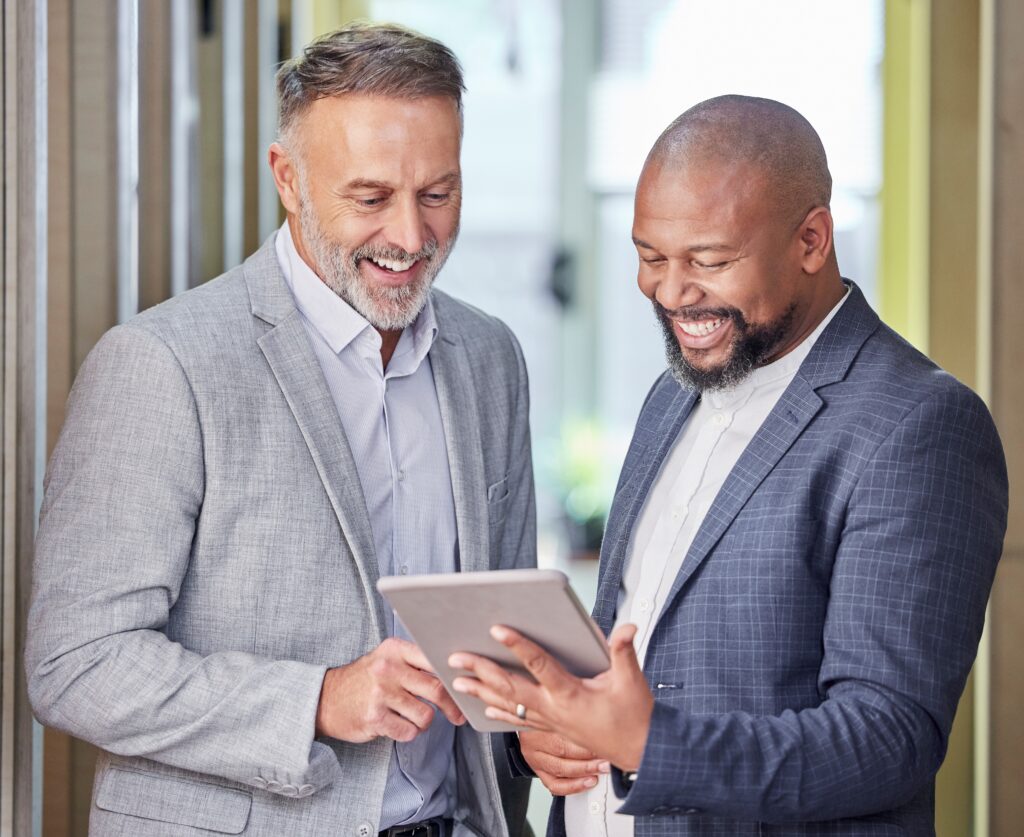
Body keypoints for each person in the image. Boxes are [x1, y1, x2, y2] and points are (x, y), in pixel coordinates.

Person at [26, 23, 535, 837]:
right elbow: (76, 664)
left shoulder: (490, 360)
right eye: (370, 198)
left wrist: (547, 728)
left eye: (438, 193)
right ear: (288, 180)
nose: (410, 236)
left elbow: (502, 635)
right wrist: (319, 700)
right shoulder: (163, 364)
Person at [450, 95, 1008, 836]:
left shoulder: (919, 424)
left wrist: (649, 744)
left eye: (709, 261)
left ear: (811, 239)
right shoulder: (672, 392)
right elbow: (637, 645)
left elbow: (888, 736)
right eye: (650, 257)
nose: (672, 293)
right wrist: (546, 730)